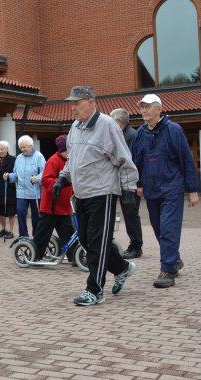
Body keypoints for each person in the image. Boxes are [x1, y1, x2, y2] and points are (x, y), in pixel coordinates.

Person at [54, 86, 138, 306]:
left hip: (103, 193)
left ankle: (95, 290)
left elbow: (124, 159)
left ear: (92, 102)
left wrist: (128, 190)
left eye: (77, 103)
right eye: (71, 103)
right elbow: (73, 158)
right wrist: (63, 177)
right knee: (86, 240)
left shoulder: (108, 126)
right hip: (81, 194)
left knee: (98, 243)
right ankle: (122, 268)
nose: (73, 108)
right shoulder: (76, 126)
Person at [130, 94, 199, 288]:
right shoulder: (140, 133)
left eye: (148, 106)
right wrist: (139, 184)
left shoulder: (174, 130)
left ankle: (167, 270)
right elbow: (137, 161)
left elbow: (186, 159)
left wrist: (192, 190)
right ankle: (174, 259)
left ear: (159, 109)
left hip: (172, 188)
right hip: (151, 190)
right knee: (159, 228)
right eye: (142, 106)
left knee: (168, 227)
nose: (143, 110)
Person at [32, 134, 75, 262]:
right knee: (43, 234)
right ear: (62, 151)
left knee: (69, 234)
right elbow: (45, 180)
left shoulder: (70, 161)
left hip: (64, 206)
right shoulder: (53, 161)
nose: (70, 153)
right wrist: (60, 182)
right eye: (68, 151)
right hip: (51, 206)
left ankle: (74, 257)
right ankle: (35, 256)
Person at [110, 109, 144, 259]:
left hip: (131, 184)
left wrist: (139, 185)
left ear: (119, 122)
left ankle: (136, 246)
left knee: (131, 215)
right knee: (129, 214)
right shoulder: (122, 134)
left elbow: (137, 161)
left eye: (112, 120)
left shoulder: (131, 136)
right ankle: (134, 245)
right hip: (121, 182)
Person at [3, 135, 45, 237]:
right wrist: (9, 177)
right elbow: (15, 174)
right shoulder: (19, 158)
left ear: (31, 146)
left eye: (24, 147)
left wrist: (37, 178)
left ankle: (37, 236)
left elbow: (45, 172)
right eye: (21, 147)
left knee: (36, 216)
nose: (22, 149)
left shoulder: (39, 156)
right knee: (20, 213)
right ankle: (23, 236)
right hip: (21, 192)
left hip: (36, 192)